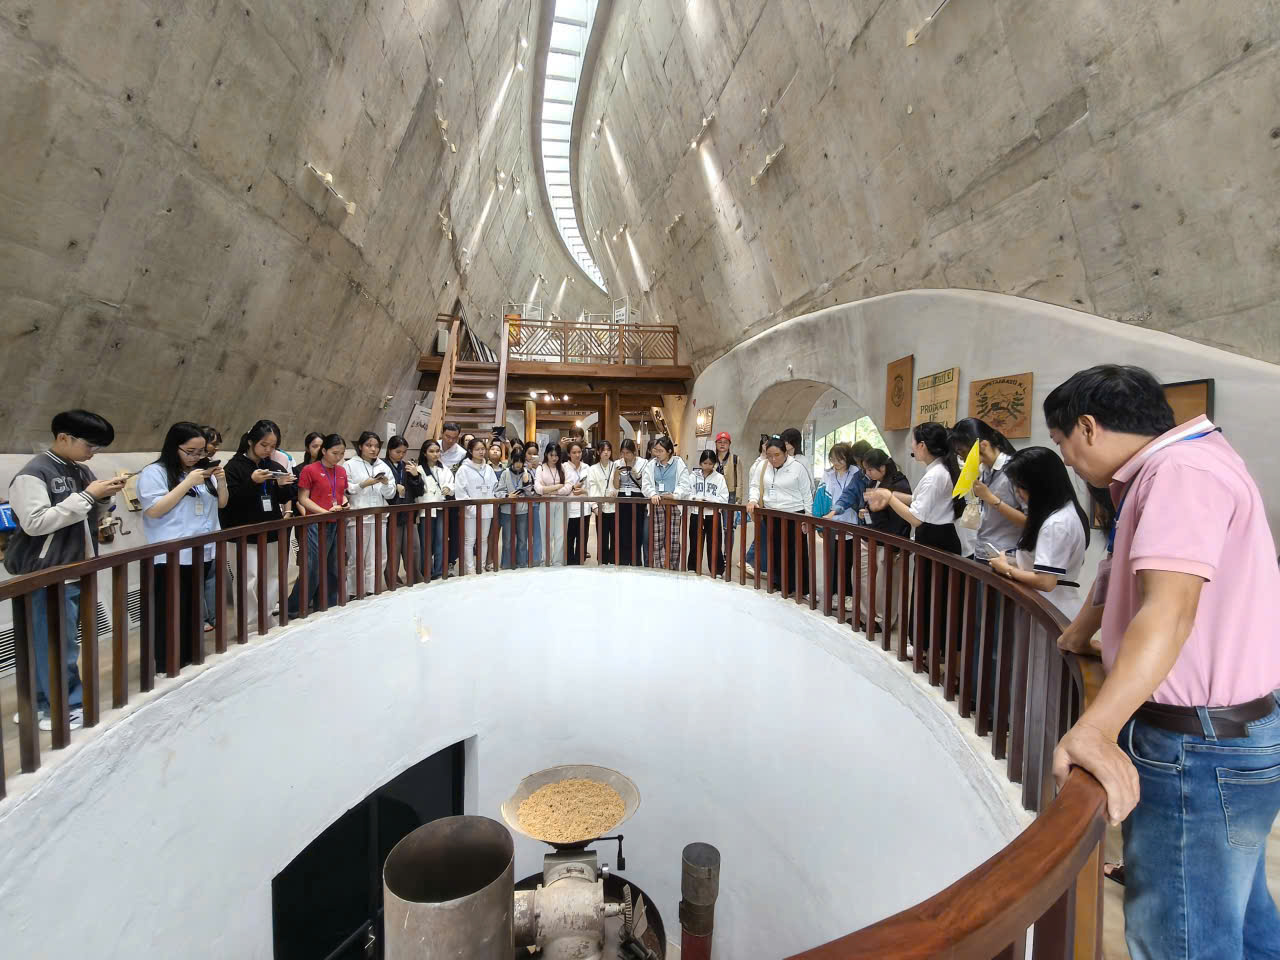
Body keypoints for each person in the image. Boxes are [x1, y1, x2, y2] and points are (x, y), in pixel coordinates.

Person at [1041, 365, 1280, 959]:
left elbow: (1169, 611)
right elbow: (1117, 570)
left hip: (1198, 744)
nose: (1066, 459)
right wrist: (1081, 632)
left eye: (1062, 441)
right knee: (1238, 915)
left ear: (1087, 427)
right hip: (1226, 734)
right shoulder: (1176, 464)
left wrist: (1095, 729)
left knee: (1182, 936)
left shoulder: (1181, 472)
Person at [5, 410, 125, 731]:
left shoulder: (80, 469)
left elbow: (86, 515)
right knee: (56, 645)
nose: (93, 452)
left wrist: (103, 498)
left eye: (98, 448)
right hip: (48, 572)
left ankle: (41, 704)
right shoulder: (34, 473)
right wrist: (87, 495)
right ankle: (65, 706)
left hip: (73, 567)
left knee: (48, 642)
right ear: (63, 438)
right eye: (90, 445)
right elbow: (35, 523)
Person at [138, 422, 228, 674]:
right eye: (190, 452)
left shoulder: (201, 472)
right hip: (171, 555)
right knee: (170, 610)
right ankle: (167, 663)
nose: (196, 457)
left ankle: (190, 656)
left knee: (192, 609)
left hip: (202, 551)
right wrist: (187, 483)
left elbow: (221, 504)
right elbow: (154, 510)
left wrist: (221, 482)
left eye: (201, 452)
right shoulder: (155, 472)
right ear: (173, 447)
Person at [864, 422, 963, 648]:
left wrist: (889, 498)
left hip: (936, 539)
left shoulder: (936, 475)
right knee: (929, 594)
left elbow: (916, 518)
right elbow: (918, 501)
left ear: (922, 445)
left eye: (913, 442)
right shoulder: (939, 470)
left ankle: (926, 646)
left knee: (931, 596)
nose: (911, 446)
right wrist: (886, 493)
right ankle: (926, 645)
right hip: (938, 537)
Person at [988, 447, 1089, 619]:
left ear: (1039, 486)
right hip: (1051, 603)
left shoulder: (1055, 524)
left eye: (1021, 486)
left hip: (1050, 607)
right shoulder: (1065, 511)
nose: (1018, 493)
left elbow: (1045, 581)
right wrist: (1011, 558)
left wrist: (1006, 569)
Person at [220, 419, 296, 631]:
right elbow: (229, 502)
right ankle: (248, 625)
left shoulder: (273, 466)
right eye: (264, 445)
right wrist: (252, 482)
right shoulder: (234, 467)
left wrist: (284, 485)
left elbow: (284, 498)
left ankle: (267, 618)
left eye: (273, 446)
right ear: (250, 441)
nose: (268, 450)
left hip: (271, 531)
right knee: (247, 579)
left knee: (272, 576)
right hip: (243, 533)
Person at [288, 434, 349, 614]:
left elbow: (341, 494)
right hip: (315, 523)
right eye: (334, 453)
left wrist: (345, 503)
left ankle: (327, 605)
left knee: (334, 567)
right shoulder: (309, 470)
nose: (338, 457)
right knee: (312, 568)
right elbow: (303, 498)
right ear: (324, 451)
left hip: (336, 522)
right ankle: (295, 608)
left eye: (342, 453)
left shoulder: (341, 471)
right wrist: (323, 512)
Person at [950, 418, 1024, 563]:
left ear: (983, 445)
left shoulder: (1014, 470)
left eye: (963, 452)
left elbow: (1028, 522)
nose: (963, 460)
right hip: (983, 553)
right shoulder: (984, 470)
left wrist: (990, 498)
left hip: (1006, 558)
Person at [747, 436, 813, 596]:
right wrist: (753, 499)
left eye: (777, 455)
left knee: (795, 552)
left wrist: (808, 517)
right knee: (775, 550)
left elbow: (807, 494)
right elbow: (755, 485)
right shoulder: (763, 465)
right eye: (769, 455)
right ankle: (780, 584)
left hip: (794, 514)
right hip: (771, 514)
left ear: (785, 453)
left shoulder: (797, 468)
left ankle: (801, 588)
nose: (773, 459)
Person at [858, 449, 912, 628]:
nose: (867, 473)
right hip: (869, 536)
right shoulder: (874, 482)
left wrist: (895, 546)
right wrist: (865, 512)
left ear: (882, 467)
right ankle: (866, 616)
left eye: (870, 469)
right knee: (863, 578)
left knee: (885, 584)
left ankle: (883, 621)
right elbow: (870, 506)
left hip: (888, 541)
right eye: (866, 470)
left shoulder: (899, 484)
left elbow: (901, 519)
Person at [344, 432, 395, 595]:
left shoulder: (383, 466)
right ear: (360, 446)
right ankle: (354, 591)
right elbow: (345, 489)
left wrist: (385, 484)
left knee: (379, 556)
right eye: (369, 445)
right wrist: (363, 484)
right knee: (357, 556)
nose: (373, 449)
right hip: (358, 517)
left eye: (376, 446)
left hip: (379, 517)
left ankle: (373, 589)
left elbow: (391, 494)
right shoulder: (349, 465)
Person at [821, 443, 866, 609]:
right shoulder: (828, 474)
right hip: (832, 520)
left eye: (840, 459)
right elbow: (822, 498)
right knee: (833, 559)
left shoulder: (856, 473)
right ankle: (833, 593)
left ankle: (848, 594)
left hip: (851, 521)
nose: (836, 463)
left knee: (847, 561)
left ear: (848, 458)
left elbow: (854, 496)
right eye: (832, 459)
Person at [382, 436, 425, 586]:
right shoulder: (382, 466)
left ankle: (415, 580)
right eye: (398, 451)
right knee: (393, 551)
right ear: (389, 450)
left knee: (413, 549)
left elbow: (419, 491)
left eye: (404, 452)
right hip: (391, 516)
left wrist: (416, 476)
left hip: (409, 514)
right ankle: (393, 583)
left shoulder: (407, 467)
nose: (401, 455)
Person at [678, 449, 729, 574]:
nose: (707, 466)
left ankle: (717, 571)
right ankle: (693, 568)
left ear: (714, 464)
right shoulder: (692, 477)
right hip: (696, 514)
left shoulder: (719, 478)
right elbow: (686, 493)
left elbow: (724, 497)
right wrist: (695, 499)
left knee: (714, 544)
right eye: (705, 463)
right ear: (700, 463)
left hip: (713, 515)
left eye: (710, 464)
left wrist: (711, 501)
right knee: (695, 543)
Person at [454, 437, 498, 573]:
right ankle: (470, 568)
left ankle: (481, 566)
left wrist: (493, 500)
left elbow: (495, 487)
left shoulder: (489, 469)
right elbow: (460, 492)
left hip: (487, 509)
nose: (481, 452)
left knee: (483, 539)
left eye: (483, 449)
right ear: (470, 451)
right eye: (477, 449)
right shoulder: (463, 469)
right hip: (470, 511)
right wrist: (472, 507)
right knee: (470, 540)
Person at [642, 436, 687, 569]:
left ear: (669, 451)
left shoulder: (678, 463)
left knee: (673, 538)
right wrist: (653, 493)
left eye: (660, 451)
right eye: (656, 450)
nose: (657, 453)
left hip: (673, 505)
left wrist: (674, 495)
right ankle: (660, 567)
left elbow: (684, 484)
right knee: (657, 538)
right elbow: (646, 484)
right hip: (657, 505)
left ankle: (672, 568)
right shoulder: (651, 464)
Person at [495, 447, 534, 568]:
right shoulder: (505, 473)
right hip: (507, 511)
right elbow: (498, 492)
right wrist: (507, 496)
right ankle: (507, 564)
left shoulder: (527, 473)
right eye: (516, 461)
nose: (518, 464)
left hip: (523, 511)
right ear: (512, 460)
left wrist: (526, 483)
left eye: (521, 461)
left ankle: (522, 563)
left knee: (522, 539)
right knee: (507, 540)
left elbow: (531, 494)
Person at [612, 439, 649, 566]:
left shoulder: (643, 463)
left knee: (637, 529)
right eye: (622, 453)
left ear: (634, 452)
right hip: (622, 497)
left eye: (628, 453)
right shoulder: (617, 463)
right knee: (622, 530)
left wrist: (636, 474)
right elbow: (616, 486)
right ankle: (623, 560)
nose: (625, 456)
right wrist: (616, 474)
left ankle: (636, 560)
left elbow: (645, 485)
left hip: (638, 497)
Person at [415, 439, 448, 579]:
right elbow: (418, 490)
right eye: (431, 451)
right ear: (424, 453)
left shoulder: (444, 468)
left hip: (440, 508)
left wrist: (448, 488)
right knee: (426, 542)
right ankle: (427, 571)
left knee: (441, 540)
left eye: (437, 451)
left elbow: (450, 483)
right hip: (425, 510)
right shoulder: (419, 469)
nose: (435, 454)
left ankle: (439, 571)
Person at [534, 443, 572, 565]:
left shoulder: (563, 468)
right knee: (546, 533)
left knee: (560, 533)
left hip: (562, 503)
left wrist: (550, 491)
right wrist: (557, 487)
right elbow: (538, 489)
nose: (554, 458)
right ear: (546, 454)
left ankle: (558, 561)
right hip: (546, 503)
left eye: (556, 455)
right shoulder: (541, 468)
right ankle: (546, 560)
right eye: (552, 455)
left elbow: (568, 487)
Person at [587, 440, 618, 564]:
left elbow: (619, 483)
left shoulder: (615, 466)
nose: (606, 452)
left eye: (608, 450)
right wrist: (594, 506)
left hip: (615, 506)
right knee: (602, 537)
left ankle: (614, 561)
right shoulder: (593, 469)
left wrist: (615, 492)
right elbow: (591, 488)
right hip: (601, 508)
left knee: (615, 537)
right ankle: (602, 562)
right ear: (598, 452)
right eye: (603, 450)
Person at [744, 436, 769, 577]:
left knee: (763, 535)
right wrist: (753, 500)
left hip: (766, 505)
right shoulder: (758, 464)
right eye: (765, 444)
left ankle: (762, 567)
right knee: (761, 534)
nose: (767, 446)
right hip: (759, 504)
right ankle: (748, 561)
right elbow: (754, 485)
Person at [562, 441, 590, 565]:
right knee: (569, 538)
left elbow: (591, 487)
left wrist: (584, 490)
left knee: (582, 539)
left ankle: (580, 563)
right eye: (574, 452)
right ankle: (569, 563)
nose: (577, 455)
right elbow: (561, 487)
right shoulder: (563, 467)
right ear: (569, 454)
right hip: (569, 509)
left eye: (579, 452)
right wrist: (573, 487)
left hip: (584, 509)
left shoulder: (587, 467)